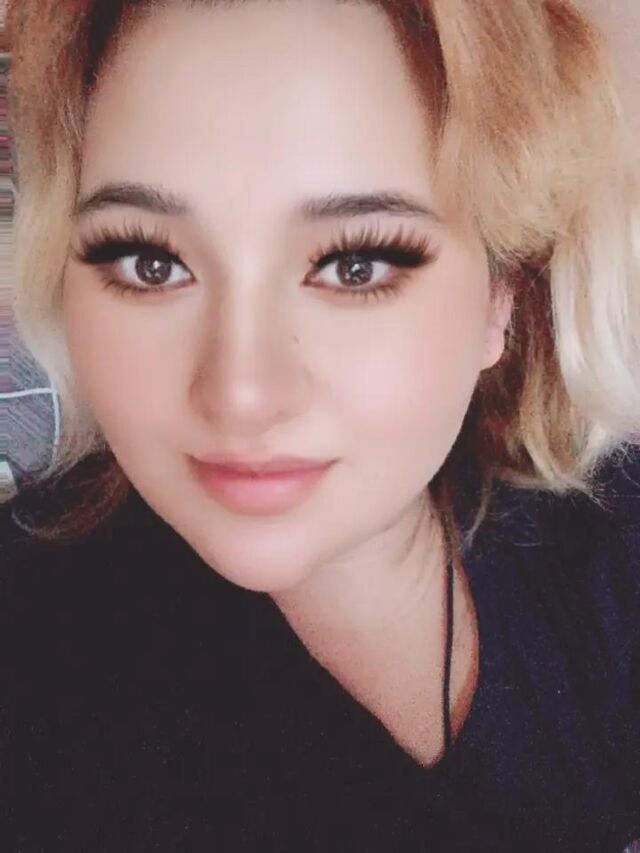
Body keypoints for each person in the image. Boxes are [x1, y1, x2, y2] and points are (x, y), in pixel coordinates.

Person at [3, 0, 640, 849]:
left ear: (501, 294)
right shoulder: (34, 657)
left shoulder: (612, 546)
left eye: (355, 264)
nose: (241, 394)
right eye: (152, 262)